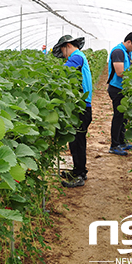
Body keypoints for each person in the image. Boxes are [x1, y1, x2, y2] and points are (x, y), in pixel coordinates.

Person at [52, 35, 93, 188]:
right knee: (75, 141)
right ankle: (77, 170)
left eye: (62, 51)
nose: (63, 55)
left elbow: (61, 76)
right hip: (82, 106)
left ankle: (80, 174)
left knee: (78, 142)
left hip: (82, 107)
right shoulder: (80, 56)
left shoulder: (76, 57)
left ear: (67, 45)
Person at [107, 32, 132, 156]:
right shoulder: (118, 52)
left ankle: (122, 142)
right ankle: (114, 145)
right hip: (117, 89)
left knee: (124, 116)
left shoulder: (129, 52)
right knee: (118, 116)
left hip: (125, 88)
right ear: (128, 42)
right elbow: (120, 72)